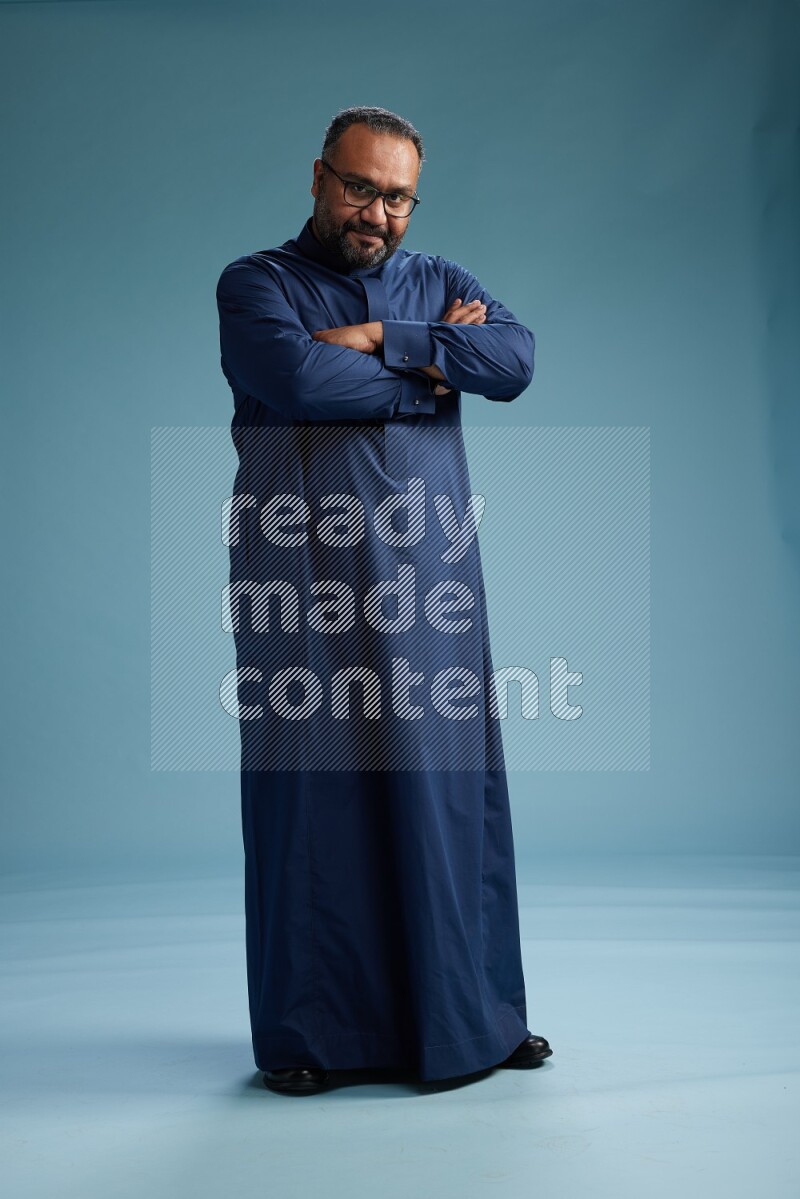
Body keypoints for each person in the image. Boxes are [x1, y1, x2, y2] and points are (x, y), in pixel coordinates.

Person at [216, 105, 552, 1096]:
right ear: (318, 177)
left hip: (431, 581)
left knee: (448, 793)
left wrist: (379, 335)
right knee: (317, 794)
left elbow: (517, 361)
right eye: (360, 187)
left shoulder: (439, 279)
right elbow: (292, 374)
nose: (377, 211)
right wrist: (432, 369)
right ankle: (312, 1033)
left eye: (396, 195)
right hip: (302, 578)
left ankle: (476, 1019)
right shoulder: (258, 283)